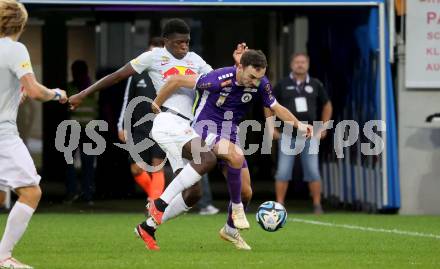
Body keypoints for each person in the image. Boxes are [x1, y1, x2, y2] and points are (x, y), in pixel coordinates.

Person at [68, 18, 245, 251]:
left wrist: (238, 67)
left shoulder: (196, 60)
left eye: (187, 42)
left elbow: (219, 82)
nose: (184, 46)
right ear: (166, 42)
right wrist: (83, 93)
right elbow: (118, 76)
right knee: (208, 158)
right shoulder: (153, 57)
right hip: (167, 120)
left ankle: (148, 226)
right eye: (180, 42)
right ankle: (159, 203)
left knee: (194, 193)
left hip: (186, 126)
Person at [153, 49, 313, 250]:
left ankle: (229, 229)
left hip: (230, 134)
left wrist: (299, 124)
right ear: (240, 67)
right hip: (204, 128)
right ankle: (237, 210)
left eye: (259, 78)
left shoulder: (260, 83)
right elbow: (176, 80)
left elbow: (276, 107)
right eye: (252, 77)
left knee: (246, 192)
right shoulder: (218, 78)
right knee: (236, 157)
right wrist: (156, 104)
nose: (255, 82)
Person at [0, 1, 68, 268]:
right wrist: (57, 94)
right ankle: (3, 256)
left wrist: (15, 97)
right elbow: (37, 91)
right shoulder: (15, 48)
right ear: (22, 24)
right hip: (2, 135)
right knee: (30, 192)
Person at [272, 52, 332, 214]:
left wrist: (324, 127)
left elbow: (327, 105)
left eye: (303, 62)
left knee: (312, 171)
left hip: (310, 134)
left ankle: (317, 205)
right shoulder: (282, 84)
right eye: (297, 62)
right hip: (287, 134)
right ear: (291, 65)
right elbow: (268, 105)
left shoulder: (316, 84)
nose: (300, 65)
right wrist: (271, 127)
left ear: (308, 64)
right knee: (283, 171)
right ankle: (280, 205)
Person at [117, 37, 166, 202]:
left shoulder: (168, 76)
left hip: (162, 128)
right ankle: (155, 198)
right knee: (136, 169)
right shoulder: (137, 74)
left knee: (157, 165)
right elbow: (126, 101)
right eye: (151, 52)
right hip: (140, 129)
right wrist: (122, 126)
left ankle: (154, 203)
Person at [64, 60, 96, 205]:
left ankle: (86, 195)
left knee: (87, 163)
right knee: (70, 162)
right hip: (74, 128)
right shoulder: (70, 87)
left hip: (89, 129)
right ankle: (73, 193)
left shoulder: (93, 87)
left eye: (76, 71)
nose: (74, 74)